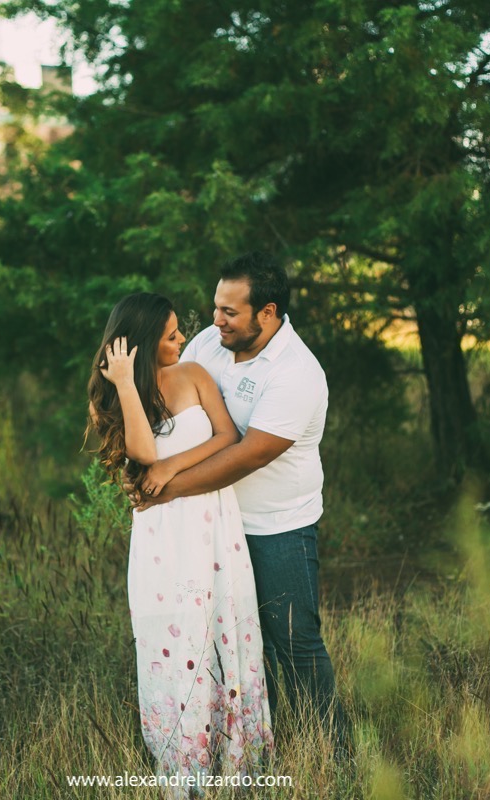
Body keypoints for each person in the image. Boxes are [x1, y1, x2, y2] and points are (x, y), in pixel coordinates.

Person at [141, 252, 348, 752]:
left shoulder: (297, 373)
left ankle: (336, 755)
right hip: (211, 524)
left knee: (294, 643)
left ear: (268, 313)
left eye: (230, 312)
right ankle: (251, 744)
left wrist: (166, 486)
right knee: (231, 642)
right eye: (216, 306)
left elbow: (247, 455)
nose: (215, 320)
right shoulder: (211, 343)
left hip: (276, 527)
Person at [86, 292, 272, 793]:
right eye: (171, 336)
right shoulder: (125, 393)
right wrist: (125, 382)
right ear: (145, 344)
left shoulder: (193, 375)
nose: (182, 340)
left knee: (221, 628)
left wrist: (171, 466)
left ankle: (238, 765)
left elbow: (227, 436)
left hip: (212, 520)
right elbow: (142, 451)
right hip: (162, 535)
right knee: (175, 641)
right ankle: (185, 769)